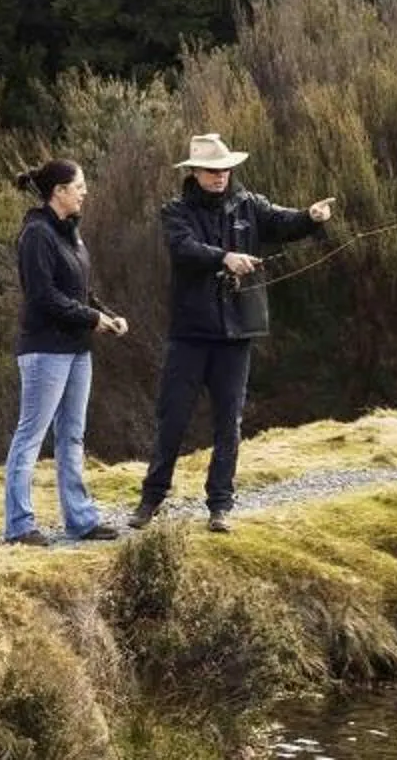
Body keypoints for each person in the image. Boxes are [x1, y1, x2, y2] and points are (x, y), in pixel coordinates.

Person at [132, 133, 333, 534]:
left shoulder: (249, 204)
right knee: (173, 418)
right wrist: (225, 258)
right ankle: (150, 499)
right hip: (190, 334)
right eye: (211, 170)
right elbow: (183, 249)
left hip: (237, 333)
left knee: (229, 422)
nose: (220, 175)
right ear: (194, 172)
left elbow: (283, 222)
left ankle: (220, 505)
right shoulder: (175, 211)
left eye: (225, 169)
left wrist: (310, 217)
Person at [4, 158, 130, 544]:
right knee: (31, 435)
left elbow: (80, 290)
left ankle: (81, 520)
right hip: (45, 350)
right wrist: (92, 318)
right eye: (78, 186)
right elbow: (43, 296)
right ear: (58, 191)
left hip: (77, 349)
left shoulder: (71, 233)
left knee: (72, 436)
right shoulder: (36, 234)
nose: (84, 192)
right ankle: (19, 525)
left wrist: (107, 315)